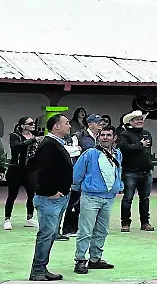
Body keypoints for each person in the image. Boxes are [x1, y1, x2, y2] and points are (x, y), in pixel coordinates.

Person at [71, 124, 122, 275]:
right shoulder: (90, 153)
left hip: (109, 197)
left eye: (108, 135)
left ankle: (95, 259)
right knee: (85, 230)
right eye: (102, 135)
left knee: (102, 230)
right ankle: (80, 260)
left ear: (114, 138)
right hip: (91, 196)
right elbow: (77, 173)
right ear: (98, 137)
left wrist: (119, 185)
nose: (105, 138)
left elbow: (118, 171)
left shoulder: (118, 154)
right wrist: (76, 190)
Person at [28, 114, 73, 281]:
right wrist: (51, 191)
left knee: (51, 234)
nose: (69, 126)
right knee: (46, 235)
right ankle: (37, 270)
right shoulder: (49, 144)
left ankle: (42, 268)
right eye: (66, 123)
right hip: (50, 198)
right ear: (56, 126)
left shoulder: (54, 143)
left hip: (57, 197)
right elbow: (43, 169)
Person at [117, 111, 155, 232]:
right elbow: (124, 149)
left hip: (146, 172)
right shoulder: (124, 135)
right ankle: (125, 223)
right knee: (127, 199)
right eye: (137, 119)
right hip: (130, 172)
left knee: (145, 199)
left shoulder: (147, 134)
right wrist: (139, 145)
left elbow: (147, 151)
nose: (140, 121)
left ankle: (145, 222)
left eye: (141, 119)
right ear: (131, 121)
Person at [5, 116, 39, 230]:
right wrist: (32, 140)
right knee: (12, 195)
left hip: (31, 170)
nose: (33, 125)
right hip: (17, 169)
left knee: (32, 194)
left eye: (33, 123)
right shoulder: (15, 136)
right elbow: (16, 148)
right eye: (30, 123)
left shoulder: (35, 135)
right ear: (23, 125)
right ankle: (7, 219)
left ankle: (30, 217)